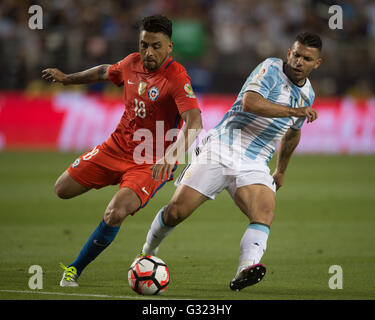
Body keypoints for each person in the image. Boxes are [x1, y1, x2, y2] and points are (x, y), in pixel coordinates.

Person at [140, 32, 322, 291]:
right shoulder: (270, 68)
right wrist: (295, 111)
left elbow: (293, 132)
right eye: (295, 54)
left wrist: (281, 170)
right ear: (288, 53)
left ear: (317, 63)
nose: (298, 61)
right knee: (176, 212)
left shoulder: (308, 96)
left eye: (306, 58)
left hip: (256, 160)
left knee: (264, 212)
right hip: (223, 146)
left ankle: (244, 270)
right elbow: (251, 103)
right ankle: (147, 251)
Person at [42, 15, 202, 287]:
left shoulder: (177, 77)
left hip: (149, 161)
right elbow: (105, 71)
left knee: (115, 213)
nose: (149, 52)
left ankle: (74, 269)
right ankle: (115, 181)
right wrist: (68, 80)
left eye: (156, 46)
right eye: (144, 45)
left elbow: (195, 123)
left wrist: (171, 156)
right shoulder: (131, 63)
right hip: (115, 147)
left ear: (170, 46)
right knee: (62, 189)